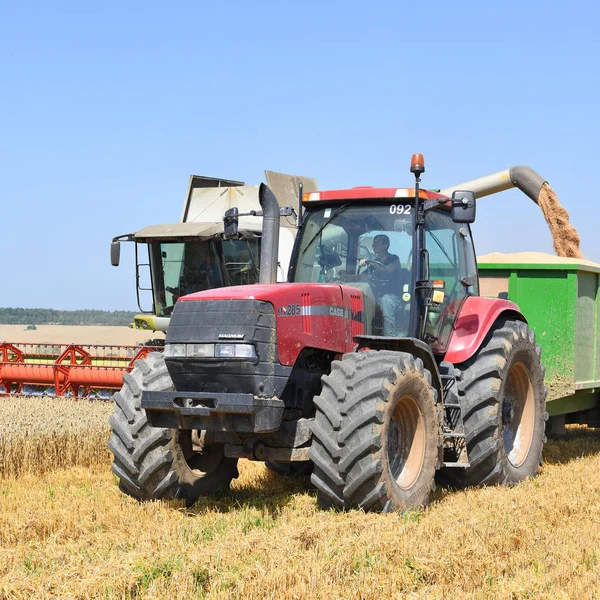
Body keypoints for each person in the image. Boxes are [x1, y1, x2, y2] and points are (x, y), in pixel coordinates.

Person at [360, 234, 404, 336]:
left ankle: (389, 336)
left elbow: (388, 269)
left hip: (393, 297)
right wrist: (346, 276)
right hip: (376, 297)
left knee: (386, 300)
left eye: (376, 244)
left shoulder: (394, 259)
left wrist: (368, 262)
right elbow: (361, 276)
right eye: (373, 244)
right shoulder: (375, 262)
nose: (373, 246)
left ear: (385, 245)